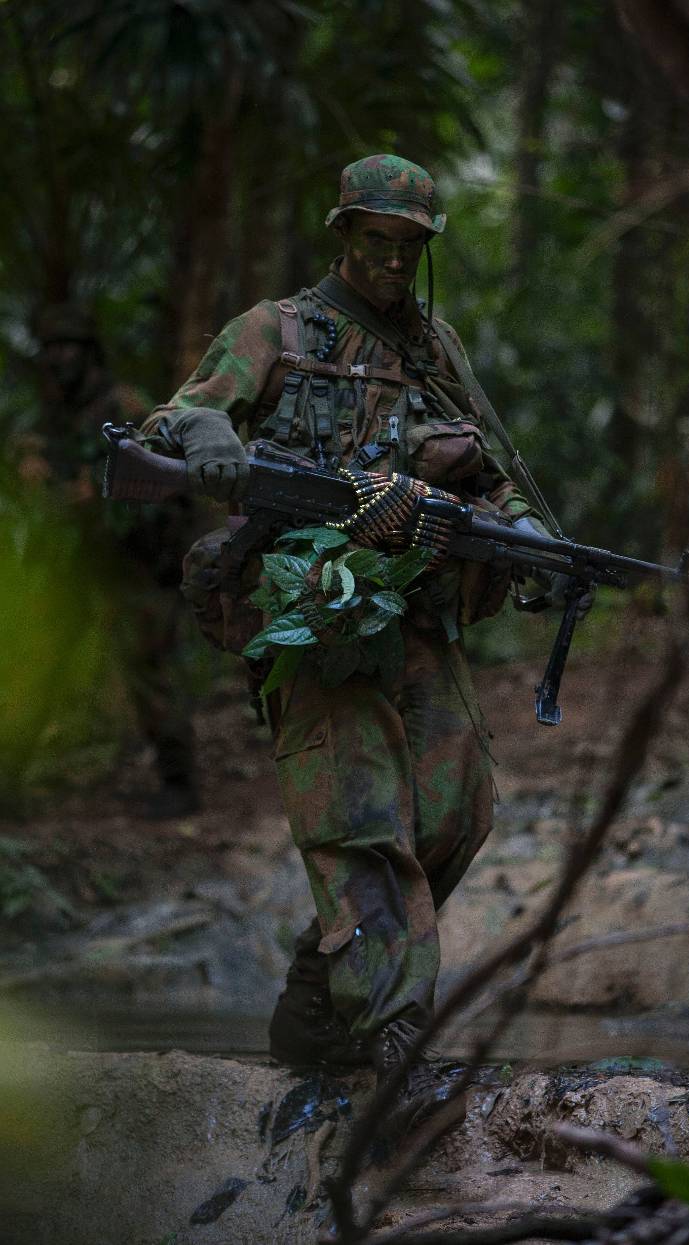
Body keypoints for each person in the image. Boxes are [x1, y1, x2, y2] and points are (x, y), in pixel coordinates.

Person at [142, 155, 582, 1128]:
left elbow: (490, 474)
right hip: (317, 617)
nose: (389, 260)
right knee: (358, 821)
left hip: (417, 614)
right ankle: (396, 1046)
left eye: (407, 244)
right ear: (342, 235)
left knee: (456, 809)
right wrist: (205, 433)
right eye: (373, 239)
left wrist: (532, 540)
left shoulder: (435, 350)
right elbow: (181, 417)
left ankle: (317, 991)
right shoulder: (277, 330)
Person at [26, 304, 200, 819]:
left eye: (69, 349)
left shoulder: (123, 403)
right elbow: (35, 442)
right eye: (52, 349)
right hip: (82, 562)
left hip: (138, 564)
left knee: (150, 672)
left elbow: (167, 473)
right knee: (40, 661)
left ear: (88, 354)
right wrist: (29, 456)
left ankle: (179, 783)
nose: (59, 359)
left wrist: (102, 491)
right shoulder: (59, 407)